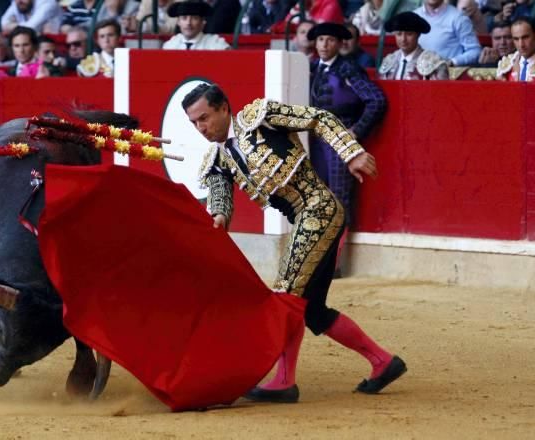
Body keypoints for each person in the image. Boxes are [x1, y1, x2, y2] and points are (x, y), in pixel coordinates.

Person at [183, 83, 406, 403]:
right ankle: (382, 362)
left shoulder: (258, 117)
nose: (201, 128)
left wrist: (350, 152)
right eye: (194, 123)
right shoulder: (218, 157)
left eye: (204, 118)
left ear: (223, 108)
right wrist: (218, 216)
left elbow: (318, 118)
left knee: (285, 296)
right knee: (312, 311)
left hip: (319, 209)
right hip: (302, 220)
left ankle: (284, 381)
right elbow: (220, 199)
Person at [308, 22, 386, 273]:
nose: (324, 45)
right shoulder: (310, 68)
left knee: (339, 199)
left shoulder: (348, 69)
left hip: (340, 143)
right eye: (320, 40)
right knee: (317, 198)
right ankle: (319, 260)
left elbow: (376, 100)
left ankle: (334, 264)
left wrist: (355, 132)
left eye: (330, 40)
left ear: (340, 44)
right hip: (315, 140)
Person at [378, 11, 450, 79]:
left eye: (409, 34)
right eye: (399, 34)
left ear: (418, 35)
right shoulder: (389, 60)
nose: (403, 39)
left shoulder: (433, 62)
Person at [414, 0, 481, 66]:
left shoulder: (458, 18)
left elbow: (475, 51)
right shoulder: (413, 16)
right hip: (412, 74)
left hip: (447, 74)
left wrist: (452, 62)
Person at [162, 0, 229, 50]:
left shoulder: (216, 44)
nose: (188, 23)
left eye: (194, 18)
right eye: (184, 18)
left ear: (202, 22)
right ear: (178, 22)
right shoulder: (170, 45)